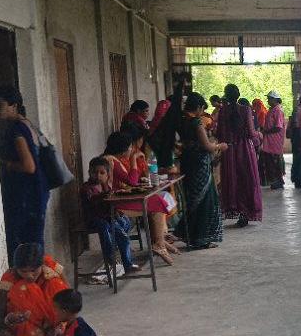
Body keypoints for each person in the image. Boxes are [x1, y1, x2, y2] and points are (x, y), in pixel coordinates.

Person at [102, 131, 178, 264]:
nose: (131, 150)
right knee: (157, 202)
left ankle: (159, 240)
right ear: (124, 148)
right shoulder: (111, 160)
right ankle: (159, 243)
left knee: (155, 201)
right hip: (114, 203)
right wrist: (133, 159)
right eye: (130, 147)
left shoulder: (109, 158)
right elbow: (132, 181)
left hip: (116, 199)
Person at [0, 86, 49, 262]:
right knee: (34, 243)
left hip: (27, 196)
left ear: (14, 105)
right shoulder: (27, 124)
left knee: (27, 247)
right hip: (37, 192)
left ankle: (37, 277)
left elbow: (29, 166)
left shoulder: (17, 131)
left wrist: (6, 164)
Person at [0, 242, 70, 336]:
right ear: (16, 268)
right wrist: (10, 320)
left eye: (34, 270)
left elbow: (71, 297)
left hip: (53, 323)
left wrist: (62, 323)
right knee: (26, 287)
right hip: (29, 327)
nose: (29, 275)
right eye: (23, 271)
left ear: (42, 265)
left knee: (54, 283)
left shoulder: (49, 265)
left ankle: (56, 332)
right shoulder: (9, 277)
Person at [179, 93, 228, 249]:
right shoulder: (196, 123)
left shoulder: (182, 121)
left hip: (187, 162)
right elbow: (206, 146)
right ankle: (202, 238)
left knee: (192, 199)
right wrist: (220, 146)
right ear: (199, 107)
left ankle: (191, 236)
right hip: (199, 165)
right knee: (206, 200)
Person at [80, 157, 140, 275]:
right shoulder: (86, 188)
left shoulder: (106, 186)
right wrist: (106, 195)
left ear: (107, 175)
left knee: (123, 229)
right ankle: (110, 257)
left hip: (107, 217)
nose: (98, 175)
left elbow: (110, 204)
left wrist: (117, 211)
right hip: (93, 219)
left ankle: (127, 264)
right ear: (89, 172)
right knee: (105, 226)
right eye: (94, 172)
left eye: (102, 173)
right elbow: (93, 200)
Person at [215, 84, 263, 227]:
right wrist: (259, 135)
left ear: (226, 95)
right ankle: (246, 213)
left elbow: (219, 133)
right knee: (247, 180)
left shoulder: (222, 111)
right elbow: (251, 132)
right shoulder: (246, 109)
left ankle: (236, 208)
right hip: (245, 150)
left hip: (229, 151)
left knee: (233, 181)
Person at [259, 91, 287, 190]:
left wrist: (266, 131)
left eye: (269, 99)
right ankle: (275, 180)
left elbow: (278, 127)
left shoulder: (278, 110)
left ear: (275, 100)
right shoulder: (272, 110)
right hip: (269, 141)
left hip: (275, 141)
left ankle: (278, 181)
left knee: (275, 162)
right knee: (270, 162)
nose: (268, 101)